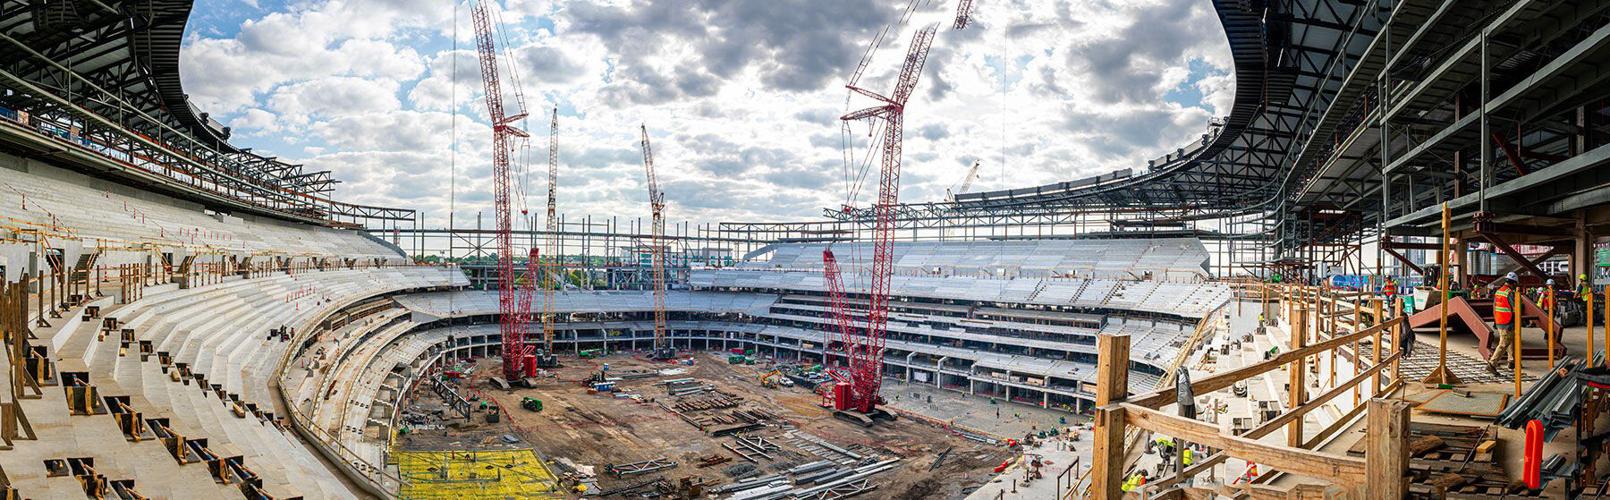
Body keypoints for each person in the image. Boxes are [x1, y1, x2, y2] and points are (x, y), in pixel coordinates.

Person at [1487, 272, 1519, 374]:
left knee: (1510, 339)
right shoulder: (1510, 293)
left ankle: (1511, 360)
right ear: (1514, 283)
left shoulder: (1499, 291)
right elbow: (1515, 308)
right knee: (1504, 343)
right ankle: (1492, 364)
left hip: (1500, 320)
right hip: (1507, 320)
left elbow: (1495, 306)